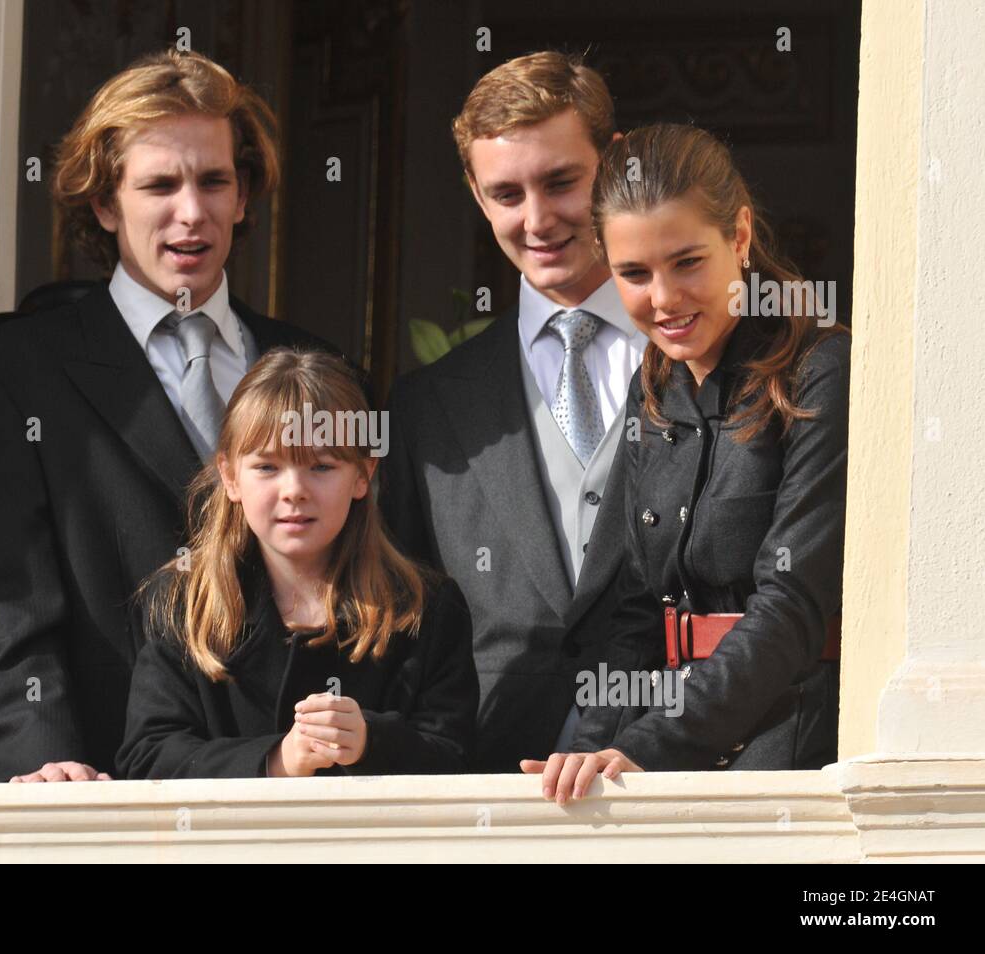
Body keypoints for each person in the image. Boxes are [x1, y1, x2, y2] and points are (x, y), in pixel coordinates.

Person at [0, 50, 337, 783]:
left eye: (214, 180)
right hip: (109, 789)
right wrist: (41, 762)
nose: (192, 211)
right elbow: (7, 612)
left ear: (244, 196)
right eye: (159, 184)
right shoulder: (10, 375)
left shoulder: (316, 364)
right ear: (103, 202)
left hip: (297, 791)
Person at [526, 123, 851, 802]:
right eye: (634, 274)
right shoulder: (656, 389)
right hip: (659, 744)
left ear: (738, 235)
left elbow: (792, 606)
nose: (664, 300)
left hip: (787, 741)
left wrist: (645, 749)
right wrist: (588, 759)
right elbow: (632, 608)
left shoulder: (820, 370)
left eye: (687, 262)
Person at [379, 51, 646, 772]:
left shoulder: (703, 356)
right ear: (474, 191)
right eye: (505, 193)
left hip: (684, 773)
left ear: (616, 163)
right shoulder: (427, 406)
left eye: (561, 182)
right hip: (492, 784)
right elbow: (400, 627)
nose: (537, 219)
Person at [117, 349, 478, 779]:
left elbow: (454, 759)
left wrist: (370, 742)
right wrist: (276, 761)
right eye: (267, 466)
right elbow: (149, 758)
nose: (294, 491)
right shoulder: (182, 602)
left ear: (363, 475)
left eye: (322, 466)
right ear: (230, 476)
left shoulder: (425, 608)